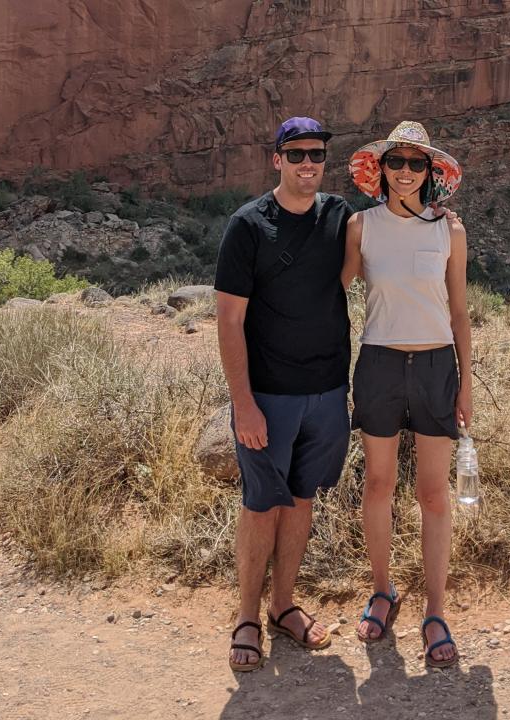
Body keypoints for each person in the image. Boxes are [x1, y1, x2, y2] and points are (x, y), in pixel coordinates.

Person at [214, 117, 352, 672]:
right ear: (276, 159)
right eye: (295, 154)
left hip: (325, 393)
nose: (307, 163)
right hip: (269, 396)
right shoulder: (248, 226)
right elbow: (228, 319)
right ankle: (247, 616)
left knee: (301, 499)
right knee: (260, 503)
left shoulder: (338, 215)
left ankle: (283, 606)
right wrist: (243, 402)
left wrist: (438, 215)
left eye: (316, 154)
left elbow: (387, 235)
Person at [342, 120, 472, 668]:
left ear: (431, 172)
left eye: (416, 164)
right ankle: (382, 590)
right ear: (381, 168)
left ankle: (435, 611)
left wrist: (467, 382)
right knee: (378, 483)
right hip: (379, 362)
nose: (404, 172)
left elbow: (460, 312)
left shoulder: (450, 231)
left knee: (434, 492)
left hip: (436, 364)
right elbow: (338, 288)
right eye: (396, 162)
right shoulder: (360, 226)